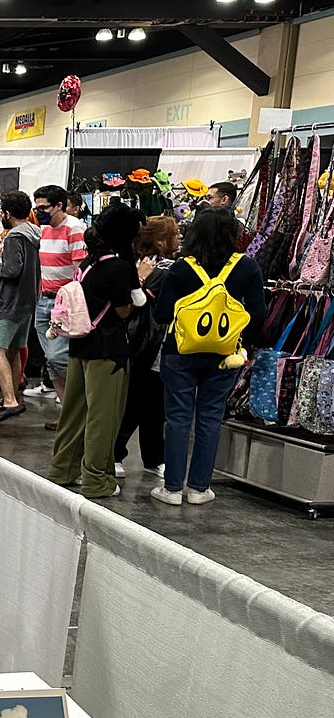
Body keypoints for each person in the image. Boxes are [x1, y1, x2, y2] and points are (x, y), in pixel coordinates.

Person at [151, 207, 267, 507]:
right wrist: (239, 340)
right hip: (224, 355)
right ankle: (199, 488)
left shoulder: (180, 268)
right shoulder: (247, 267)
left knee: (177, 419)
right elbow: (258, 314)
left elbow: (162, 314)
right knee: (211, 418)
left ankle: (172, 488)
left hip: (180, 351)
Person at [46, 203, 145, 498]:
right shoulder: (120, 268)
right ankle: (96, 479)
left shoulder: (87, 264)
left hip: (80, 344)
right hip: (108, 350)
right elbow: (124, 310)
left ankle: (62, 469)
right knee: (104, 416)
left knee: (74, 412)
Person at [114, 215, 179, 479]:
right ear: (161, 241)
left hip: (153, 345)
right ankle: (117, 453)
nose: (180, 237)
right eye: (175, 234)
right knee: (137, 403)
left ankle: (152, 457)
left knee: (154, 404)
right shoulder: (156, 269)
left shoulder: (150, 265)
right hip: (147, 343)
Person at [31, 184, 89, 429]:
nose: (39, 211)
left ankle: (80, 409)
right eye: (37, 207)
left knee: (58, 357)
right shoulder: (43, 230)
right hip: (44, 299)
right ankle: (68, 415)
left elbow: (80, 270)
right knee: (50, 360)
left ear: (59, 206)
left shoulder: (74, 228)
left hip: (63, 303)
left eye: (44, 207)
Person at [0, 191, 41, 424]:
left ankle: (9, 400)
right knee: (15, 349)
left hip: (9, 301)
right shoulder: (35, 234)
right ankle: (13, 396)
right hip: (28, 300)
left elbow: (11, 270)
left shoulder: (13, 237)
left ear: (7, 214)